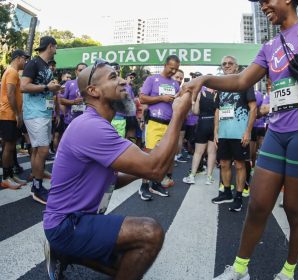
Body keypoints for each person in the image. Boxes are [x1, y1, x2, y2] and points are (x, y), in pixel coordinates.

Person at [184, 0, 298, 278]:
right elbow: (239, 81)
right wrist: (207, 79)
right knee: (258, 205)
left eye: (266, 1)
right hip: (276, 133)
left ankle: (288, 271)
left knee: (296, 210)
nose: (263, 6)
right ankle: (239, 269)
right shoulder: (270, 46)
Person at [43, 60, 192, 279]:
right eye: (113, 77)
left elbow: (116, 179)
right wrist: (178, 114)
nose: (123, 81)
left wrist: (145, 164)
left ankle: (65, 253)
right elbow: (156, 170)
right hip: (67, 224)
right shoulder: (91, 127)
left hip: (77, 221)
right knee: (150, 233)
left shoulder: (99, 124)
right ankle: (65, 247)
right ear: (93, 91)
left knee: (128, 264)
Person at [210, 55, 256, 212]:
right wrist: (216, 131)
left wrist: (248, 132)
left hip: (239, 133)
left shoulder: (244, 83)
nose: (227, 66)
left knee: (240, 165)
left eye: (230, 63)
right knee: (224, 163)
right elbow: (217, 110)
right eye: (224, 64)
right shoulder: (221, 87)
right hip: (223, 133)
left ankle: (238, 196)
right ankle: (227, 192)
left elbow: (253, 108)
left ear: (236, 67)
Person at [21, 36, 62, 204]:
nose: (56, 50)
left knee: (38, 151)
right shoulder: (33, 63)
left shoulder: (46, 66)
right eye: (56, 47)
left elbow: (46, 91)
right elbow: (24, 86)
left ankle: (36, 183)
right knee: (43, 151)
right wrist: (47, 87)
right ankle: (37, 188)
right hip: (34, 113)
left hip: (44, 113)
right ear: (50, 46)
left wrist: (54, 89)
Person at [138, 55, 180, 200]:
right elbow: (142, 98)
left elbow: (178, 104)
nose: (173, 71)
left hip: (169, 125)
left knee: (164, 156)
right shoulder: (152, 79)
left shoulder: (175, 84)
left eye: (176, 69)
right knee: (149, 155)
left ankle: (156, 184)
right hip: (154, 122)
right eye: (171, 68)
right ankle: (144, 186)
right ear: (165, 65)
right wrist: (161, 98)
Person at [0, 50, 30, 189]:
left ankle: (10, 175)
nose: (26, 62)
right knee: (9, 146)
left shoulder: (11, 71)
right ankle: (6, 177)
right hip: (8, 115)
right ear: (18, 58)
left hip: (8, 114)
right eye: (25, 59)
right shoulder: (12, 72)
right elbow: (11, 94)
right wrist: (18, 114)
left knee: (10, 146)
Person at [183, 86, 217, 185]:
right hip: (214, 124)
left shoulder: (200, 94)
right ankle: (209, 177)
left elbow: (195, 112)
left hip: (203, 123)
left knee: (198, 152)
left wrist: (194, 104)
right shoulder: (218, 95)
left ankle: (192, 176)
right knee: (212, 152)